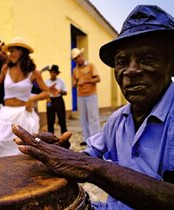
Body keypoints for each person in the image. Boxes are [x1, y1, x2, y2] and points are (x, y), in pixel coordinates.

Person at [13, 5, 174, 210]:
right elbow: (87, 157)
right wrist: (58, 152)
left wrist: (91, 168)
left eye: (148, 59)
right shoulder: (118, 120)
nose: (131, 70)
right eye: (122, 61)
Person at [0, 37, 50, 159]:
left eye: (12, 51)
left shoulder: (33, 72)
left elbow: (47, 92)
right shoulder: (6, 68)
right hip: (6, 112)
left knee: (22, 149)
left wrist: (32, 99)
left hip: (23, 113)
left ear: (21, 52)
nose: (9, 54)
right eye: (9, 51)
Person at [72, 47, 101, 146]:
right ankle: (86, 139)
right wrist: (75, 83)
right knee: (83, 118)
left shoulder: (91, 66)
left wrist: (86, 81)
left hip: (91, 94)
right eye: (75, 58)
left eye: (79, 56)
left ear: (82, 56)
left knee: (93, 117)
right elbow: (74, 83)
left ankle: (96, 139)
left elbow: (98, 79)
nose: (78, 59)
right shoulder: (75, 70)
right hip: (80, 96)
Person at [45, 65, 67, 134]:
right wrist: (48, 96)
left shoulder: (61, 81)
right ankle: (50, 137)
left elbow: (65, 92)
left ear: (57, 73)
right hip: (50, 100)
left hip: (59, 100)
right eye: (51, 72)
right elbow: (44, 92)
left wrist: (59, 91)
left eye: (54, 72)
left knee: (62, 119)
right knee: (50, 120)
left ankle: (64, 137)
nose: (52, 74)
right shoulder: (46, 82)